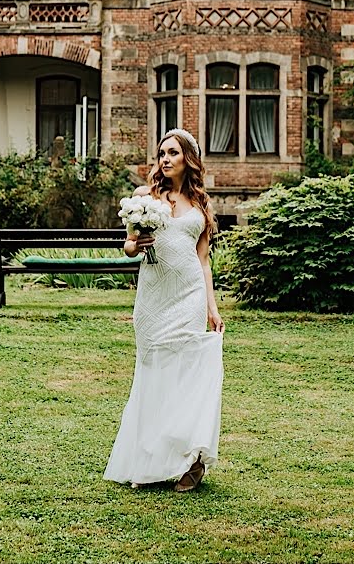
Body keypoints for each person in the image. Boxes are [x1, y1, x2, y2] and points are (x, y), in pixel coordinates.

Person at [103, 128, 224, 492]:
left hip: (188, 295)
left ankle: (192, 460)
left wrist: (212, 307)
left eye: (173, 152)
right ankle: (149, 461)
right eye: (161, 153)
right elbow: (128, 245)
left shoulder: (201, 204)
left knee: (186, 374)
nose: (165, 159)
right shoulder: (145, 197)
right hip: (153, 298)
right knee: (153, 375)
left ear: (188, 158)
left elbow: (203, 262)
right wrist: (136, 245)